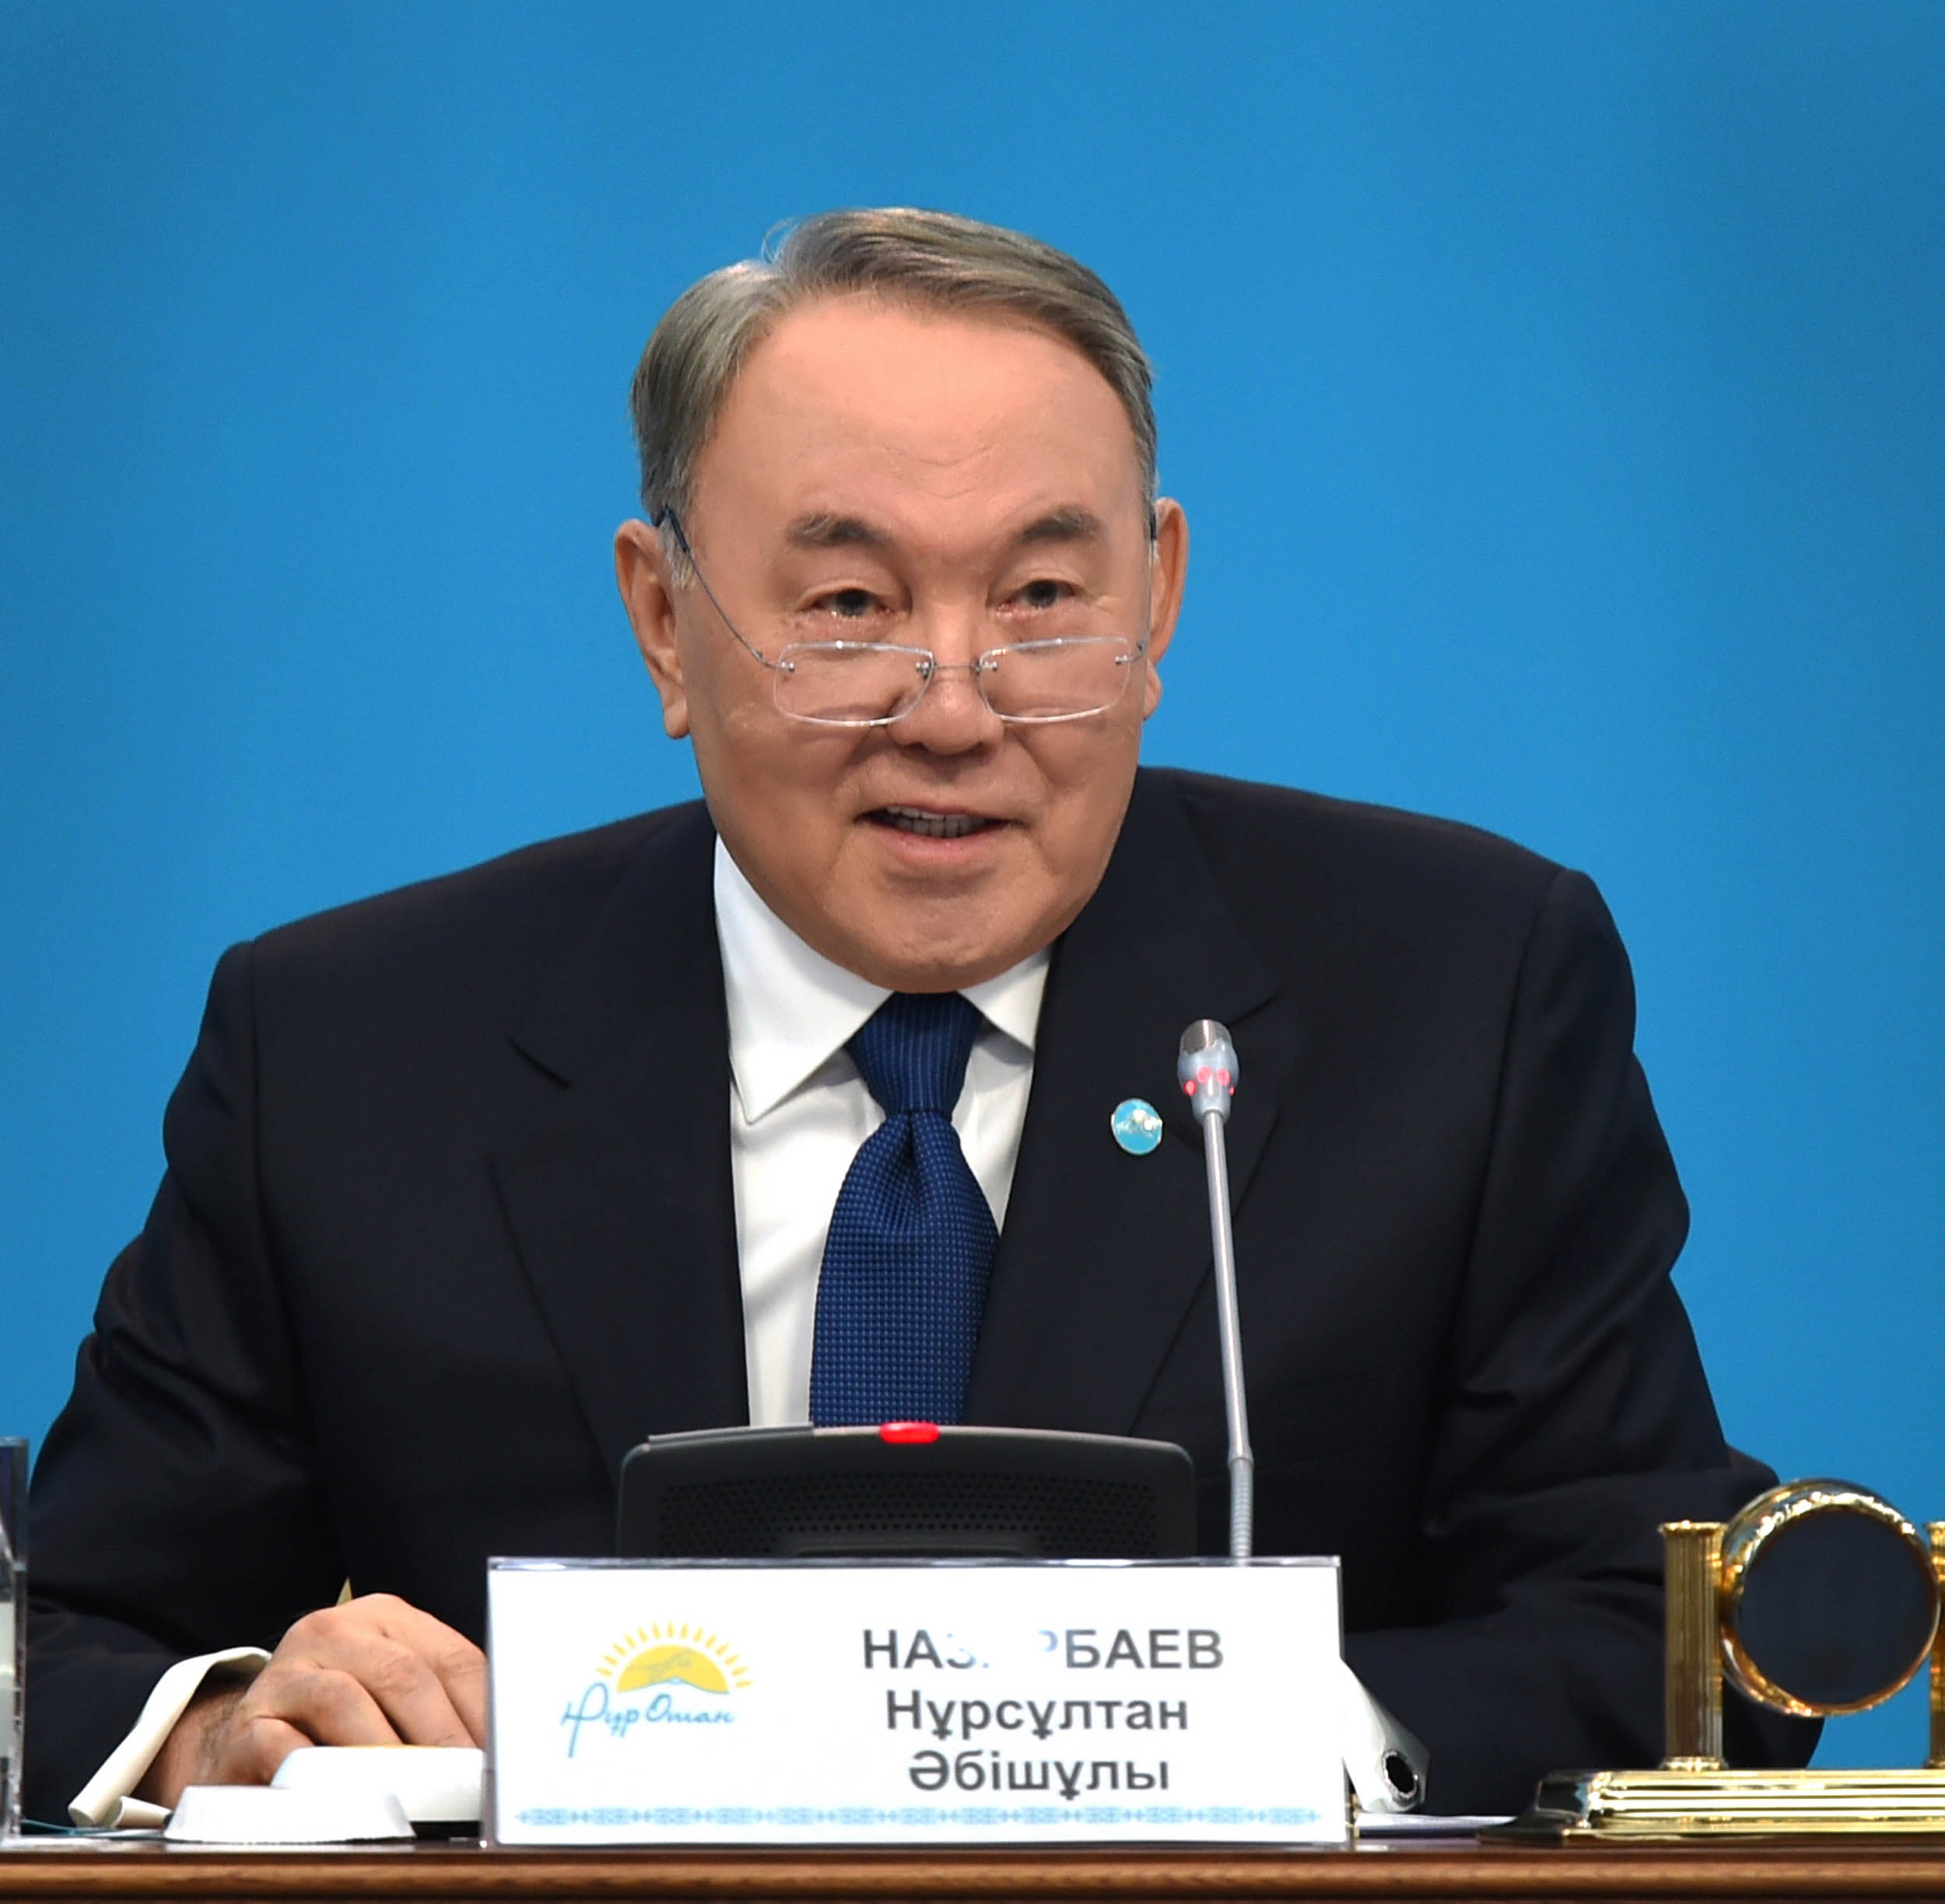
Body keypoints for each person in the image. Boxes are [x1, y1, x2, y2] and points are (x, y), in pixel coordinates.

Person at [24, 209, 1814, 1827]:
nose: (953, 710)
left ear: (1155, 600)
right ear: (663, 622)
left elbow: (1675, 1630)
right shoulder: (350, 1051)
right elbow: (57, 1632)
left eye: (1040, 599)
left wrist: (1255, 1729)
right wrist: (221, 1721)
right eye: (848, 606)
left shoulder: (1452, 995)